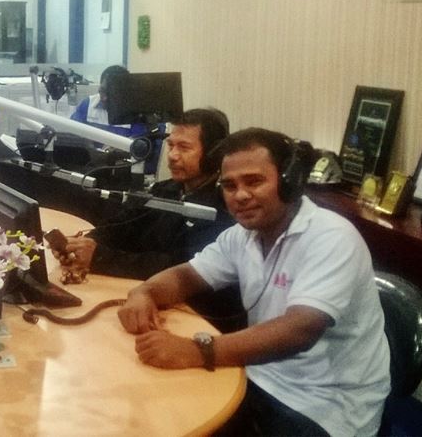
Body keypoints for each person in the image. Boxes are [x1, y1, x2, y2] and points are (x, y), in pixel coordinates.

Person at [117, 127, 390, 436]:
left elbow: (301, 330)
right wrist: (145, 292)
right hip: (258, 376)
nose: (240, 195)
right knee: (153, 412)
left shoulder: (331, 237)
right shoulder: (241, 236)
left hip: (325, 407)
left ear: (289, 182)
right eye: (229, 185)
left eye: (254, 181)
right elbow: (186, 276)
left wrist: (197, 351)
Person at [55, 107, 243, 331]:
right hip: (145, 298)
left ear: (214, 154)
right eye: (171, 145)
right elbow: (123, 226)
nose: (172, 155)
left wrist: (100, 257)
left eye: (184, 148)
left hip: (195, 318)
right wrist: (82, 245)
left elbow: (178, 267)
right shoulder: (165, 189)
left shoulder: (224, 208)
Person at [70, 65, 148, 138]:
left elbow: (138, 144)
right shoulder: (88, 104)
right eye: (102, 91)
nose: (104, 98)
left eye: (112, 94)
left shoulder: (134, 113)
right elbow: (71, 133)